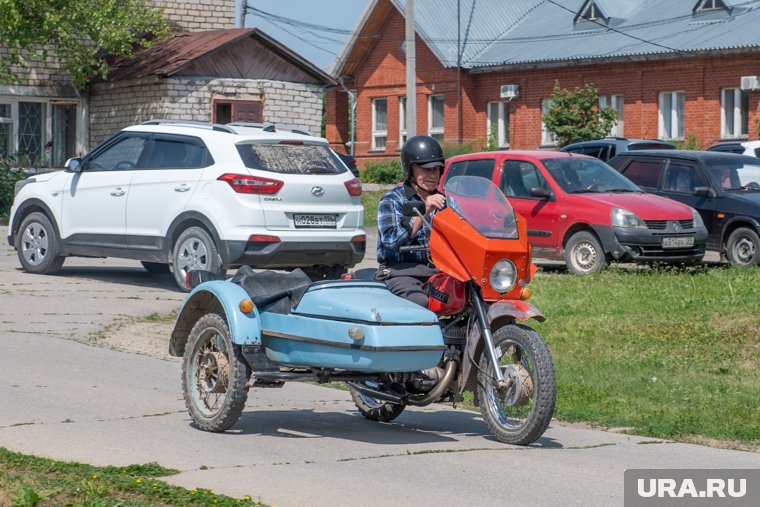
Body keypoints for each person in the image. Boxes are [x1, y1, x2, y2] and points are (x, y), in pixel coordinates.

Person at [376, 135, 446, 306]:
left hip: (438, 271)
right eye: (425, 169)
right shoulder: (392, 200)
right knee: (419, 301)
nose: (432, 175)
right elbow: (392, 242)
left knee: (471, 294)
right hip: (400, 271)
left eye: (436, 169)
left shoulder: (445, 202)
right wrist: (424, 210)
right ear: (410, 170)